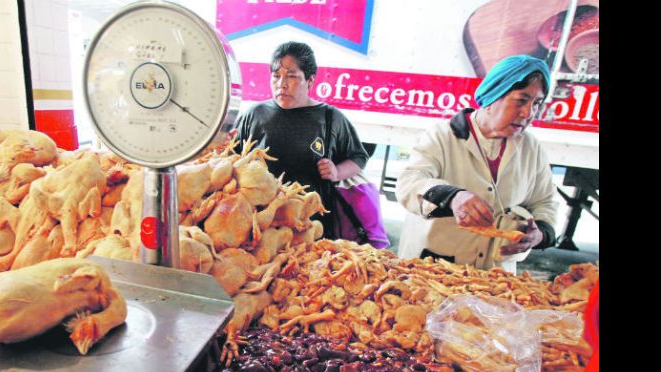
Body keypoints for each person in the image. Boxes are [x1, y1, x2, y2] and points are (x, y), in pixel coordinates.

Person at [395, 55, 559, 272]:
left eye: (536, 103)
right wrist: (453, 197)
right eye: (521, 100)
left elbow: (544, 202)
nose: (529, 113)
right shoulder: (443, 136)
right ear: (493, 96)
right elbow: (409, 182)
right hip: (433, 269)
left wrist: (539, 235)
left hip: (494, 276)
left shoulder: (530, 148)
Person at [233, 41, 371, 241]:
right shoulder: (255, 114)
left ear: (311, 80)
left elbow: (358, 157)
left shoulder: (330, 118)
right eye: (276, 76)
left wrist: (337, 171)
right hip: (260, 225)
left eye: (292, 76)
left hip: (310, 225)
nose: (282, 84)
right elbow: (232, 159)